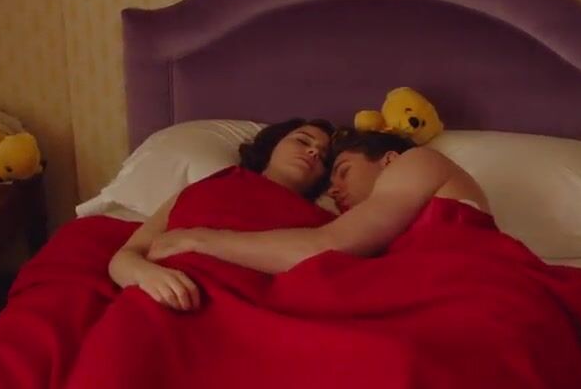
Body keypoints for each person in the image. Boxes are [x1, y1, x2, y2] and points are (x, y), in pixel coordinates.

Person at [146, 129, 490, 274]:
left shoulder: (418, 161)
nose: (334, 191)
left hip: (468, 290)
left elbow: (325, 246)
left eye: (343, 170)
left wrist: (198, 239)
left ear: (388, 159)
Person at [109, 118, 335, 311]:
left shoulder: (321, 223)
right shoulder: (208, 187)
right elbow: (126, 256)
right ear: (274, 145)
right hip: (168, 295)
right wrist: (147, 275)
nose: (314, 152)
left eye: (324, 157)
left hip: (249, 309)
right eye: (302, 141)